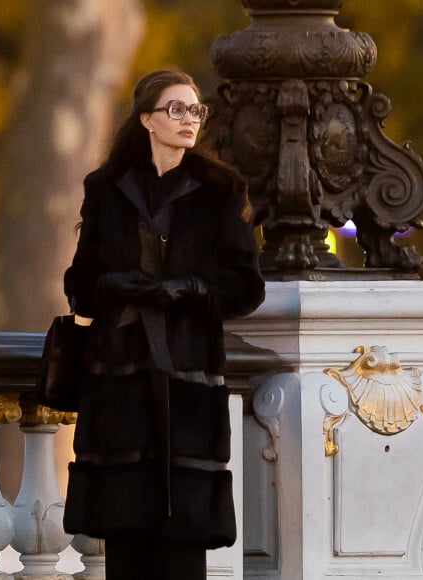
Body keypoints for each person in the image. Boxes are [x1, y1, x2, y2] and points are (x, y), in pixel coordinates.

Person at [62, 69, 265, 580]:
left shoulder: (220, 190)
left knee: (182, 550)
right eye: (176, 109)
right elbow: (80, 285)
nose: (189, 120)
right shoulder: (106, 189)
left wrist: (191, 289)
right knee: (126, 547)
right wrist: (114, 285)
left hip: (189, 389)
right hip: (119, 391)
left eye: (196, 110)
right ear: (148, 119)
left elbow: (246, 285)